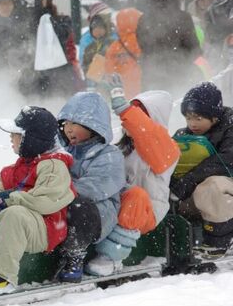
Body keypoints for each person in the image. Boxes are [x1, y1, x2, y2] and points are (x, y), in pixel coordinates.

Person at [0, 106, 75, 295]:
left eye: (16, 134)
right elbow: (2, 192)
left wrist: (9, 198)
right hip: (15, 223)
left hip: (44, 228)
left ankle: (2, 277)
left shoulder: (53, 166)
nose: (11, 138)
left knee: (13, 215)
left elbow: (45, 201)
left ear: (30, 139)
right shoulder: (14, 168)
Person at [85, 79, 180, 275]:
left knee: (136, 196)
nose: (127, 119)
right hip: (118, 202)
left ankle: (110, 256)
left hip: (146, 210)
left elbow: (148, 135)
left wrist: (124, 108)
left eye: (138, 115)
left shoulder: (167, 150)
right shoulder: (121, 148)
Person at [56, 92, 125, 282]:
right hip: (63, 202)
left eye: (75, 124)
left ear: (93, 126)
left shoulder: (109, 155)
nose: (68, 129)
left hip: (99, 212)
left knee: (79, 207)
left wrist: (59, 191)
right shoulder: (63, 153)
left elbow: (95, 187)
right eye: (66, 124)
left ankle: (74, 256)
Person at [170, 82, 233, 259]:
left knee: (212, 185)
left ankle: (218, 241)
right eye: (188, 118)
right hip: (196, 194)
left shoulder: (230, 128)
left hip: (224, 189)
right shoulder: (183, 135)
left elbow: (227, 161)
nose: (192, 123)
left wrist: (189, 180)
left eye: (198, 118)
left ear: (214, 117)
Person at [136, 0, 201, 96]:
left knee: (152, 113)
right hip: (179, 77)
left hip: (151, 78)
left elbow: (143, 46)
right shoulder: (183, 18)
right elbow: (194, 49)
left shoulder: (144, 19)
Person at [19, 0, 84, 97]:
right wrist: (32, 15)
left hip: (59, 76)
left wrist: (43, 14)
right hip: (33, 78)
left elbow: (61, 35)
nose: (38, 1)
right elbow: (23, 41)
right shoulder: (24, 23)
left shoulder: (62, 20)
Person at [104, 8, 143, 99]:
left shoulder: (114, 47)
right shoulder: (144, 42)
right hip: (144, 91)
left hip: (123, 94)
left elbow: (109, 71)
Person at [79, 2, 115, 80]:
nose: (108, 18)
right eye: (105, 15)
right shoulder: (87, 38)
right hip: (96, 80)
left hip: (115, 77)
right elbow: (84, 63)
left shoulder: (115, 33)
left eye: (109, 14)